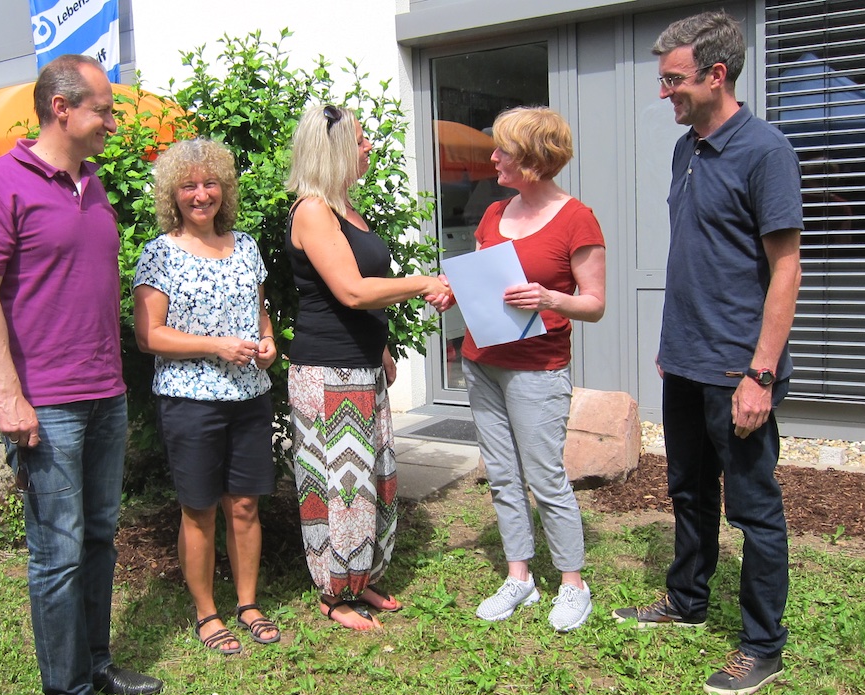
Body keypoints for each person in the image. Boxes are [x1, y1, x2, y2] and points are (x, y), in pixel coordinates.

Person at [0, 54, 163, 695]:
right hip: (45, 402)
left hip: (104, 392)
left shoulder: (93, 185)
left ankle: (96, 662)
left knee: (99, 536)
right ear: (61, 108)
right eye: (104, 109)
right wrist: (9, 395)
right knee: (58, 553)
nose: (113, 122)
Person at [612, 11, 802, 695]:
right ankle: (688, 599)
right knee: (688, 490)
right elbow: (699, 252)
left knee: (753, 509)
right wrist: (672, 344)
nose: (664, 92)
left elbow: (786, 269)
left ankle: (762, 645)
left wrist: (761, 373)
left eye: (673, 80)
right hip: (686, 358)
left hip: (736, 368)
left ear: (716, 75)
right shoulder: (686, 148)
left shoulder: (765, 152)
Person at [285, 104, 452, 630]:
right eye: (360, 140)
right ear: (333, 149)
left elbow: (356, 296)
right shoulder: (313, 211)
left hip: (360, 366)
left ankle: (362, 577)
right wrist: (423, 283)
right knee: (339, 487)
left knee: (373, 478)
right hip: (328, 374)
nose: (368, 147)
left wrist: (379, 349)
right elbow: (352, 291)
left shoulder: (346, 208)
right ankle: (334, 594)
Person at [460, 106, 607, 633]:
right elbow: (481, 283)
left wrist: (549, 297)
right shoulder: (492, 213)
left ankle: (573, 584)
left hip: (537, 369)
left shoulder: (577, 219)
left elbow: (594, 303)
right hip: (481, 362)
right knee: (502, 475)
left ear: (534, 158)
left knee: (545, 477)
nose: (494, 158)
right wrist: (452, 290)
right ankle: (519, 577)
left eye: (503, 149)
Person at [133, 138, 279, 654]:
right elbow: (148, 335)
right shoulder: (160, 253)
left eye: (210, 183)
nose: (201, 194)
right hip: (190, 401)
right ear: (173, 195)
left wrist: (267, 343)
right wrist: (215, 345)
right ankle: (206, 612)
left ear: (225, 188)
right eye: (189, 186)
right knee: (199, 509)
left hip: (249, 397)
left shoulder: (246, 247)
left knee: (245, 505)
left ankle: (247, 604)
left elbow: (260, 315)